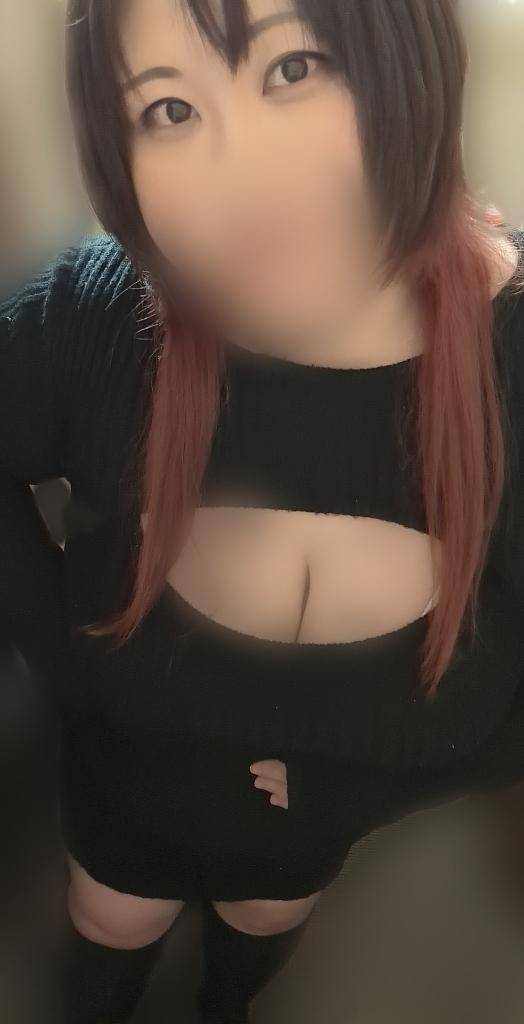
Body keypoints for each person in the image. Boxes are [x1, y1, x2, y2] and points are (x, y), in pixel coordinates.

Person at [1, 1, 524, 1021]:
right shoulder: (102, 321)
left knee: (253, 936)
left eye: (292, 68)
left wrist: (352, 795)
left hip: (295, 859)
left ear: (406, 52)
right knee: (111, 930)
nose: (238, 176)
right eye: (167, 109)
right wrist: (62, 666)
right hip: (118, 818)